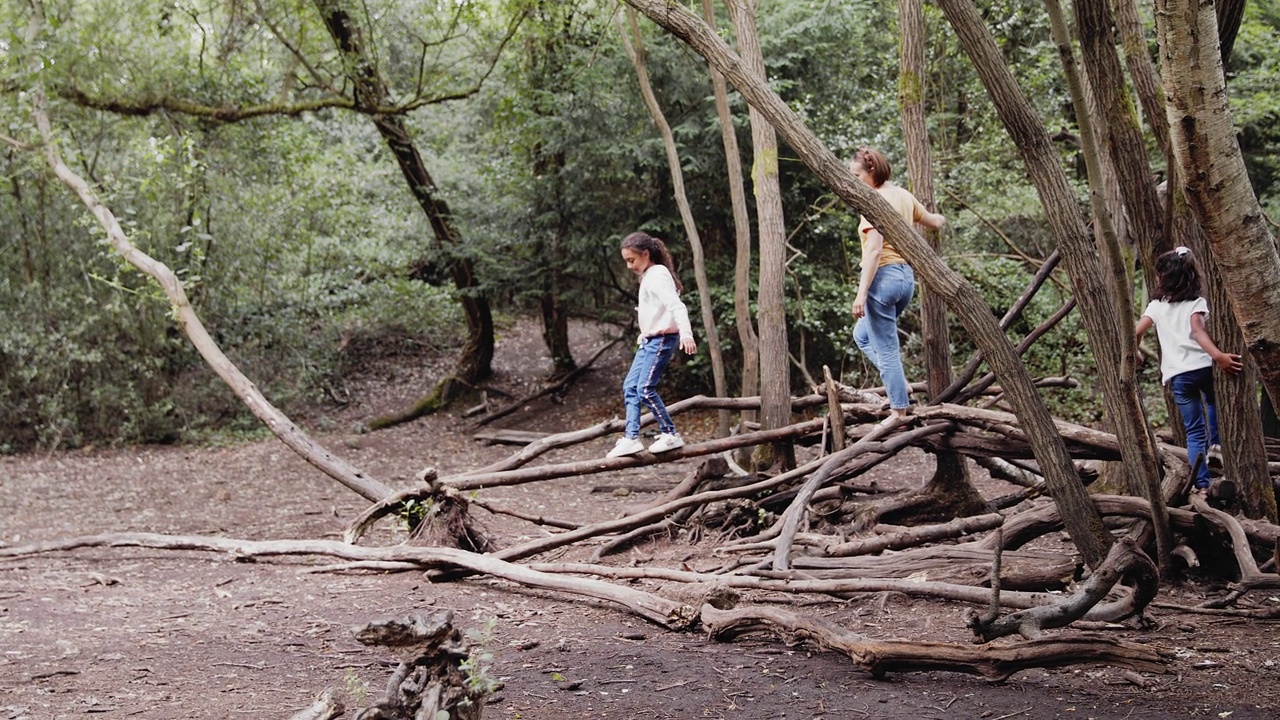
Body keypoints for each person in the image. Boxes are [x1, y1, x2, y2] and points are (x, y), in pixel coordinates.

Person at [849, 146, 945, 426]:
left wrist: (861, 293)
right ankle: (901, 384)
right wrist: (942, 219)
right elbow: (933, 221)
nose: (854, 181)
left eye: (857, 176)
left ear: (872, 172)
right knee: (863, 336)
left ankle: (898, 410)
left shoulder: (872, 202)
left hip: (882, 280)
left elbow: (874, 252)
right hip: (905, 281)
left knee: (887, 347)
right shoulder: (903, 195)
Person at [1134, 246, 1242, 493]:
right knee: (1214, 403)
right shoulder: (1196, 303)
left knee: (1193, 431)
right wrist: (1219, 357)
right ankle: (1215, 444)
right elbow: (1197, 331)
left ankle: (1201, 484)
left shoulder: (1156, 306)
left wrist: (1137, 352)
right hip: (1203, 368)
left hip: (1178, 376)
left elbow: (1136, 331)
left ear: (1164, 278)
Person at [606, 231, 698, 458]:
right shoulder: (649, 276)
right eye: (626, 261)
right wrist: (644, 334)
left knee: (645, 389)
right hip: (649, 340)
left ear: (646, 254)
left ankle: (670, 434)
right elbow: (654, 312)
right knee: (630, 387)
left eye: (631, 260)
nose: (629, 266)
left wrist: (686, 334)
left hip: (663, 339)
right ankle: (631, 438)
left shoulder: (657, 275)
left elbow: (677, 307)